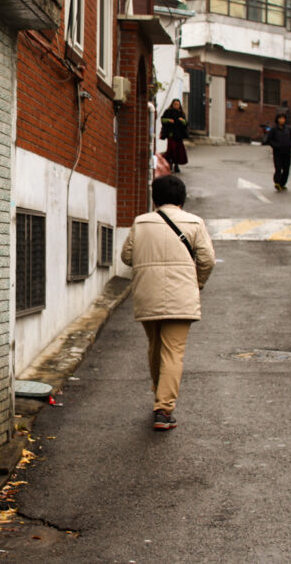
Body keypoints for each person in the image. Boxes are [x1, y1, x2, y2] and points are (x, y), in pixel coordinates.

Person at [121, 175, 216, 430]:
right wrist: (197, 283)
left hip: (148, 294)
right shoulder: (195, 223)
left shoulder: (141, 222)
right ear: (182, 200)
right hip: (181, 296)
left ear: (155, 199)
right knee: (173, 351)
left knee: (155, 347)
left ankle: (158, 393)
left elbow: (127, 256)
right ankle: (163, 410)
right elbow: (207, 260)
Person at [263, 112, 291, 191]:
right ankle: (277, 182)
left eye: (283, 118)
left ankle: (283, 183)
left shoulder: (288, 129)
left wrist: (290, 145)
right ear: (277, 119)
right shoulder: (274, 130)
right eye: (280, 118)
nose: (281, 120)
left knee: (286, 169)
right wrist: (275, 146)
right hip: (277, 152)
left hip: (287, 152)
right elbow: (269, 140)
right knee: (278, 167)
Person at [160, 99, 189, 173]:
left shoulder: (181, 113)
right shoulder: (168, 112)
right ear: (172, 104)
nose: (176, 105)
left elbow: (186, 123)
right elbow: (163, 120)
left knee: (179, 150)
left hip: (179, 135)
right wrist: (168, 120)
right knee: (172, 149)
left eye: (177, 104)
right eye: (175, 104)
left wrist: (182, 120)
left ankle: (176, 165)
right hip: (171, 134)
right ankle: (170, 163)